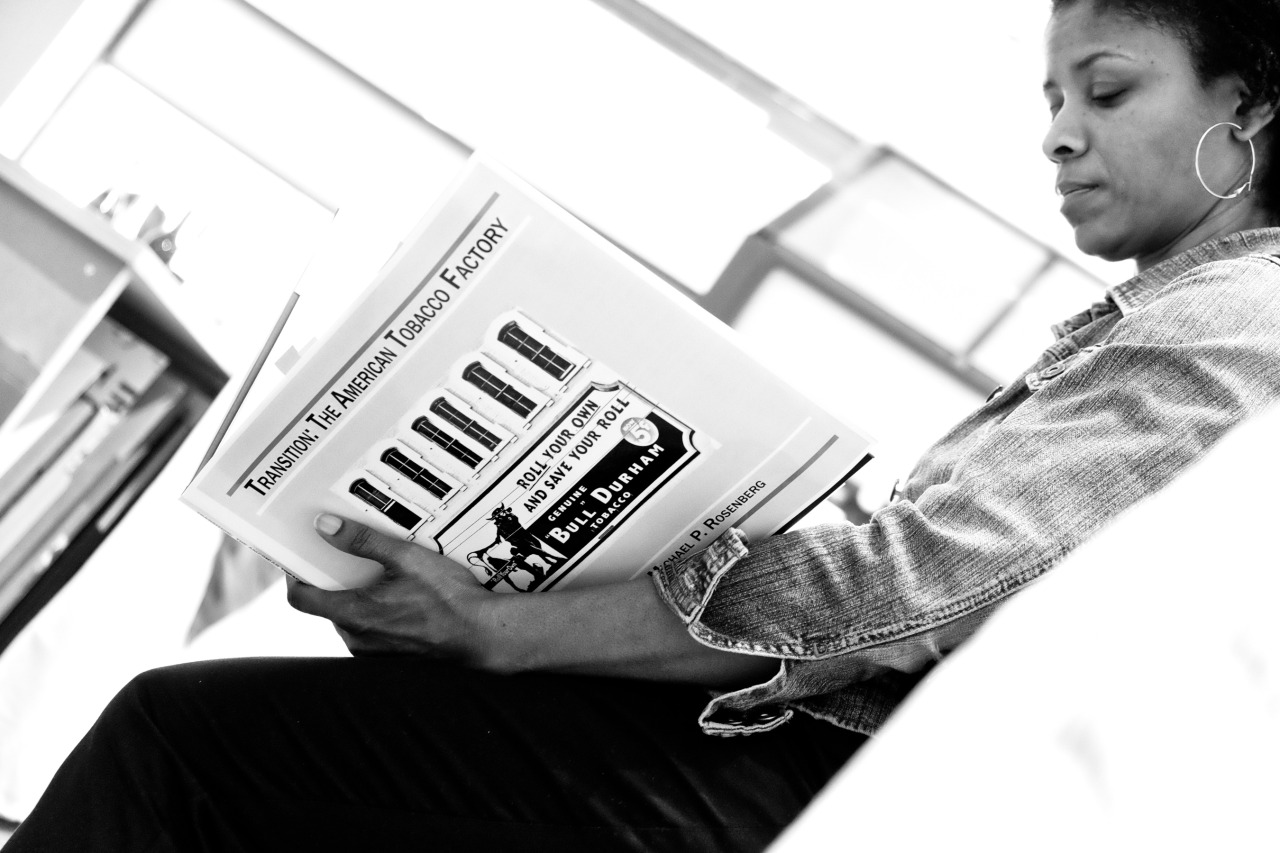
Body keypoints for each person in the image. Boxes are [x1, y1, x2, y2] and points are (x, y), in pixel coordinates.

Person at [8, 1, 1280, 850]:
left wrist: (508, 629)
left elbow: (910, 590)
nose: (1057, 133)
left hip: (813, 787)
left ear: (1251, 109)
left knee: (180, 741)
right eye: (1051, 95)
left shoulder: (1237, 317)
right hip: (803, 759)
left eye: (1105, 91)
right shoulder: (1186, 311)